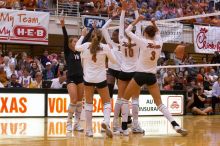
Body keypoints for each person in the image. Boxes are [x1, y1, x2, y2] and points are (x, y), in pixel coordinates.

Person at [120, 15, 188, 136]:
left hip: (139, 75)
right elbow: (158, 32)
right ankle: (175, 124)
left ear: (145, 33)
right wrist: (154, 23)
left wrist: (137, 20)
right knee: (160, 104)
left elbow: (127, 31)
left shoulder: (143, 41)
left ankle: (124, 128)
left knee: (125, 99)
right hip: (151, 76)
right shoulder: (159, 43)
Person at [75, 28, 117, 138]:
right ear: (101, 37)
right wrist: (111, 50)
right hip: (101, 78)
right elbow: (114, 61)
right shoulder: (105, 47)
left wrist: (82, 35)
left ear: (91, 36)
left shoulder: (85, 45)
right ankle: (106, 122)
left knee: (88, 104)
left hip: (88, 79)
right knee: (107, 102)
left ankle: (89, 130)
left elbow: (76, 47)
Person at [112, 0, 142, 133]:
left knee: (121, 99)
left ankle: (115, 125)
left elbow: (120, 24)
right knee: (135, 99)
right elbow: (139, 26)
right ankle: (135, 125)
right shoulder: (138, 40)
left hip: (123, 72)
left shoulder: (122, 39)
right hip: (135, 73)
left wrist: (123, 10)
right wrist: (135, 10)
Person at [60, 17, 84, 132]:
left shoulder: (79, 51)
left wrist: (89, 31)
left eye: (77, 41)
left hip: (81, 78)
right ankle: (68, 123)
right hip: (71, 78)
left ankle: (77, 124)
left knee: (80, 102)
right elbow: (65, 38)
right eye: (74, 41)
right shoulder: (67, 51)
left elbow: (86, 39)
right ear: (70, 43)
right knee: (73, 100)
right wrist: (63, 26)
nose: (76, 43)